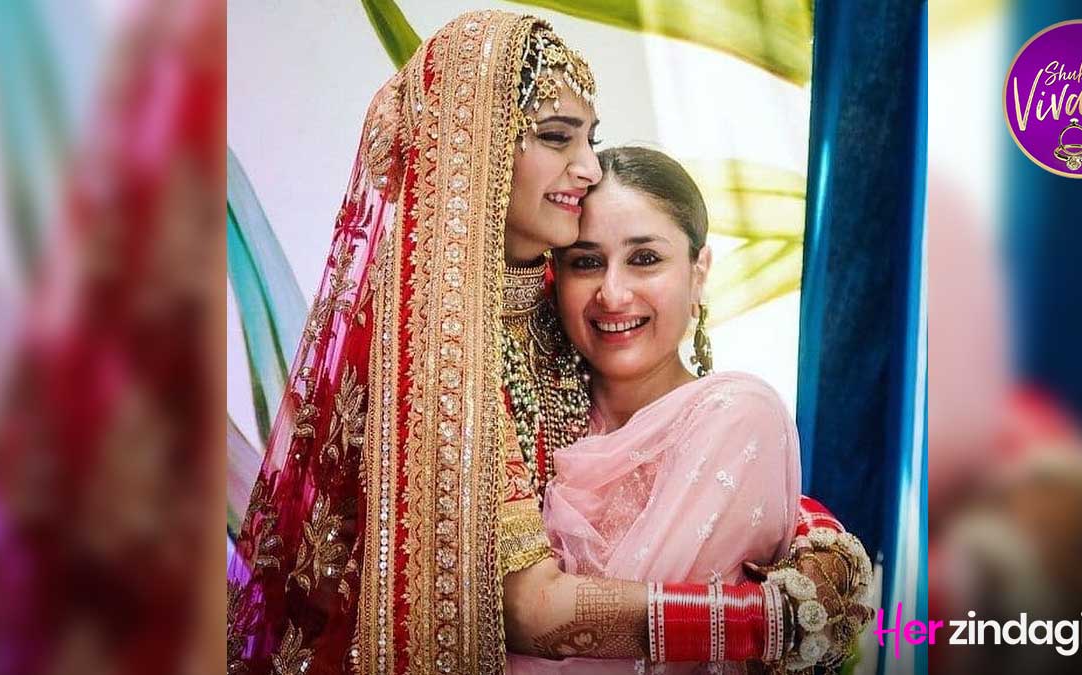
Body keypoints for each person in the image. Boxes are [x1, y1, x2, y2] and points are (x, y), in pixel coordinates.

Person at [229, 11, 869, 674]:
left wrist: (817, 535)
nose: (587, 168)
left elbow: (673, 468)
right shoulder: (435, 339)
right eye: (558, 137)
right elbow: (532, 610)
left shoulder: (545, 298)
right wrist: (768, 619)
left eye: (591, 139)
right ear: (476, 141)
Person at [506, 146, 807, 674]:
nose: (613, 293)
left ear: (698, 272)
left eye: (644, 259)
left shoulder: (738, 417)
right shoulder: (532, 413)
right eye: (586, 262)